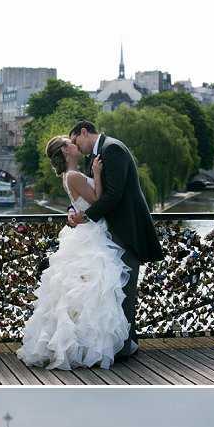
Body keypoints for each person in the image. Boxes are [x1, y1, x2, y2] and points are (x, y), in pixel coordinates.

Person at [17, 135, 134, 369]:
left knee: (81, 293)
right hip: (91, 233)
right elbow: (98, 200)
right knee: (93, 290)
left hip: (84, 231)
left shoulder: (69, 176)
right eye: (69, 143)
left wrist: (74, 209)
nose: (75, 144)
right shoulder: (74, 176)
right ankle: (89, 347)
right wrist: (98, 174)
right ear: (65, 152)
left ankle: (80, 345)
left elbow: (80, 203)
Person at [67, 120, 163, 360]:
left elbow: (114, 195)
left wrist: (86, 217)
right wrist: (75, 209)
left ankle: (124, 345)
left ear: (84, 132)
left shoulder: (113, 149)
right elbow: (94, 194)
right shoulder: (101, 153)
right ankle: (123, 342)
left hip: (127, 230)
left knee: (125, 287)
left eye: (76, 140)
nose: (77, 147)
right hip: (113, 231)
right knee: (116, 289)